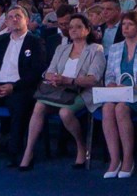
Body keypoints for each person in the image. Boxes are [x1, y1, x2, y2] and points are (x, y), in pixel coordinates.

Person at [20, 13, 105, 170]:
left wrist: (69, 80)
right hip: (59, 90)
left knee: (65, 113)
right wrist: (51, 76)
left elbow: (93, 79)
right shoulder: (61, 48)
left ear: (87, 30)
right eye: (71, 27)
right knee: (39, 106)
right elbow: (49, 71)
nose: (73, 30)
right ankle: (28, 152)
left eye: (78, 27)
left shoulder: (96, 49)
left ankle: (81, 146)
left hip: (83, 91)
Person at [0, 5, 57, 165]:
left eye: (18, 16)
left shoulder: (35, 42)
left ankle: (15, 152)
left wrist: (13, 87)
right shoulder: (1, 40)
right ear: (6, 22)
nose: (14, 19)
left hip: (19, 88)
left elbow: (36, 72)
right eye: (10, 17)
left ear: (27, 21)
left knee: (20, 106)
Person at [97, 11, 137, 179]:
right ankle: (114, 159)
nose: (125, 28)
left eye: (130, 24)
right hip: (120, 92)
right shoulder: (115, 48)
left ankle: (128, 159)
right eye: (124, 24)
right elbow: (110, 75)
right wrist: (111, 84)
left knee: (120, 109)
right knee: (107, 108)